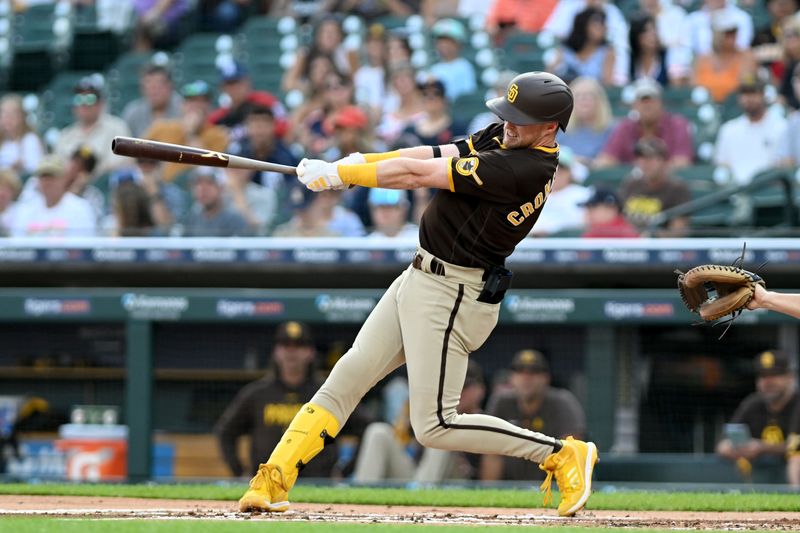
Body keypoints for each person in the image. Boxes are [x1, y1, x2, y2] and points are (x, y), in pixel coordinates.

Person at [237, 71, 598, 518]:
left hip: (453, 293)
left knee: (435, 425)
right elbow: (428, 152)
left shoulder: (524, 168)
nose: (508, 123)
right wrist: (352, 163)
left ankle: (561, 453)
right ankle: (274, 477)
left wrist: (343, 175)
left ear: (550, 128)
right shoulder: (509, 139)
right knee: (348, 376)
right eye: (508, 114)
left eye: (521, 119)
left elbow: (415, 174)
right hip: (420, 274)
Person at [214, 322, 340, 479]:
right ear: (276, 351)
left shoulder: (327, 393)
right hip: (267, 484)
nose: (291, 351)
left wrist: (344, 471)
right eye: (285, 345)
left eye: (298, 345)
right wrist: (240, 471)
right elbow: (226, 431)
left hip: (318, 482)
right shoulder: (257, 393)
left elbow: (365, 426)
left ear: (310, 352)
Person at [352, 360, 486, 484]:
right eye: (450, 386)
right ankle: (360, 498)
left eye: (464, 386)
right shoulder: (433, 412)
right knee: (378, 432)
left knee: (444, 429)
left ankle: (420, 495)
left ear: (479, 390)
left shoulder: (486, 421)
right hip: (421, 478)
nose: (457, 392)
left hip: (459, 484)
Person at [480, 350, 585, 482]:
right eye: (520, 371)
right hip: (510, 488)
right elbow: (492, 453)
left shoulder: (562, 402)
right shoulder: (501, 402)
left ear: (546, 378)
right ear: (512, 377)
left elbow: (570, 453)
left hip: (552, 486)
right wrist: (491, 493)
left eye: (534, 372)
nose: (526, 378)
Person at [716, 349, 798, 481]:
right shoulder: (753, 403)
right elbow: (723, 443)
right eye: (763, 376)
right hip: (759, 475)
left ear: (790, 378)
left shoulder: (797, 404)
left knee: (797, 457)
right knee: (738, 459)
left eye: (774, 375)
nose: (768, 381)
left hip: (791, 471)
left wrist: (762, 447)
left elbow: (796, 446)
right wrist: (733, 448)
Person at [594, 77, 694, 170]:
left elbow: (682, 162)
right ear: (634, 105)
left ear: (661, 103)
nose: (647, 106)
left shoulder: (677, 125)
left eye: (651, 100)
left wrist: (647, 170)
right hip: (633, 186)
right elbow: (606, 160)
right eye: (642, 101)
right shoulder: (625, 127)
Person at [144, 79, 229, 182]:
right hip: (166, 187)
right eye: (191, 100)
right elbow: (137, 155)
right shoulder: (163, 127)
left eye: (202, 101)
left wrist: (190, 133)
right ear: (182, 105)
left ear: (209, 106)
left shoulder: (218, 135)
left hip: (200, 188)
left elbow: (208, 168)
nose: (197, 106)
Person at [714, 73, 788, 186]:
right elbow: (723, 166)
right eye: (744, 93)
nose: (748, 98)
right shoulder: (729, 129)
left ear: (763, 94)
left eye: (753, 93)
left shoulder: (781, 126)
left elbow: (783, 167)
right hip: (736, 192)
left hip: (769, 192)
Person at [54, 76, 131, 177]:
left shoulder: (117, 127)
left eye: (90, 99)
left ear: (100, 103)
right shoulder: (65, 135)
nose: (84, 104)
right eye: (79, 99)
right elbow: (58, 169)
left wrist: (87, 174)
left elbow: (123, 164)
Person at [617, 138, 691, 237]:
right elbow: (617, 220)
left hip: (660, 248)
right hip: (628, 245)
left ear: (664, 162)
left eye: (650, 158)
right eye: (641, 157)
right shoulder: (630, 184)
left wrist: (653, 236)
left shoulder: (677, 188)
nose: (645, 163)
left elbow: (678, 232)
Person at [7, 156, 97, 238]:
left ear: (64, 179)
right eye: (43, 177)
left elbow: (83, 244)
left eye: (52, 176)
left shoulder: (80, 208)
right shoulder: (25, 209)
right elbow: (18, 243)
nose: (47, 182)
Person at [692, 10, 757, 104]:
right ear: (715, 34)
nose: (731, 37)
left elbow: (746, 87)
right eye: (726, 33)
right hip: (707, 107)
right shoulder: (702, 59)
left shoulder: (746, 57)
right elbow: (694, 88)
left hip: (735, 107)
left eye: (733, 32)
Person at [529, 146, 590, 237]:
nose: (555, 172)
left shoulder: (584, 194)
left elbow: (584, 225)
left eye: (561, 169)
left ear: (570, 172)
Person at [548, 7, 616, 87]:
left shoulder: (607, 52)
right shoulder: (564, 50)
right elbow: (549, 76)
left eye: (603, 23)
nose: (603, 28)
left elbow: (607, 84)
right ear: (583, 25)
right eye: (597, 23)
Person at [557, 77, 614, 166]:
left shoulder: (612, 130)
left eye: (589, 95)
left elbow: (609, 162)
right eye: (578, 96)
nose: (583, 100)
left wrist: (583, 162)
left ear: (599, 101)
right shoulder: (560, 129)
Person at [180, 168, 251, 237]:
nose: (203, 189)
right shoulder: (191, 219)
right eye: (198, 183)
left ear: (221, 188)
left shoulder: (234, 219)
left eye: (209, 183)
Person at [122, 63, 183, 138]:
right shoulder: (133, 112)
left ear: (170, 86)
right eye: (148, 84)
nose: (154, 90)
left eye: (158, 84)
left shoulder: (183, 108)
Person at [428, 18, 477, 103]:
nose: (444, 45)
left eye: (449, 42)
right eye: (441, 42)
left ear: (459, 44)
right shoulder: (434, 69)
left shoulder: (464, 66)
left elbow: (466, 95)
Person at [0, 93, 44, 175]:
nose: (7, 118)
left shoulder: (30, 140)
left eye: (12, 114)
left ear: (22, 117)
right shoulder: (2, 141)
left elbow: (38, 170)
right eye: (4, 114)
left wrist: (21, 167)